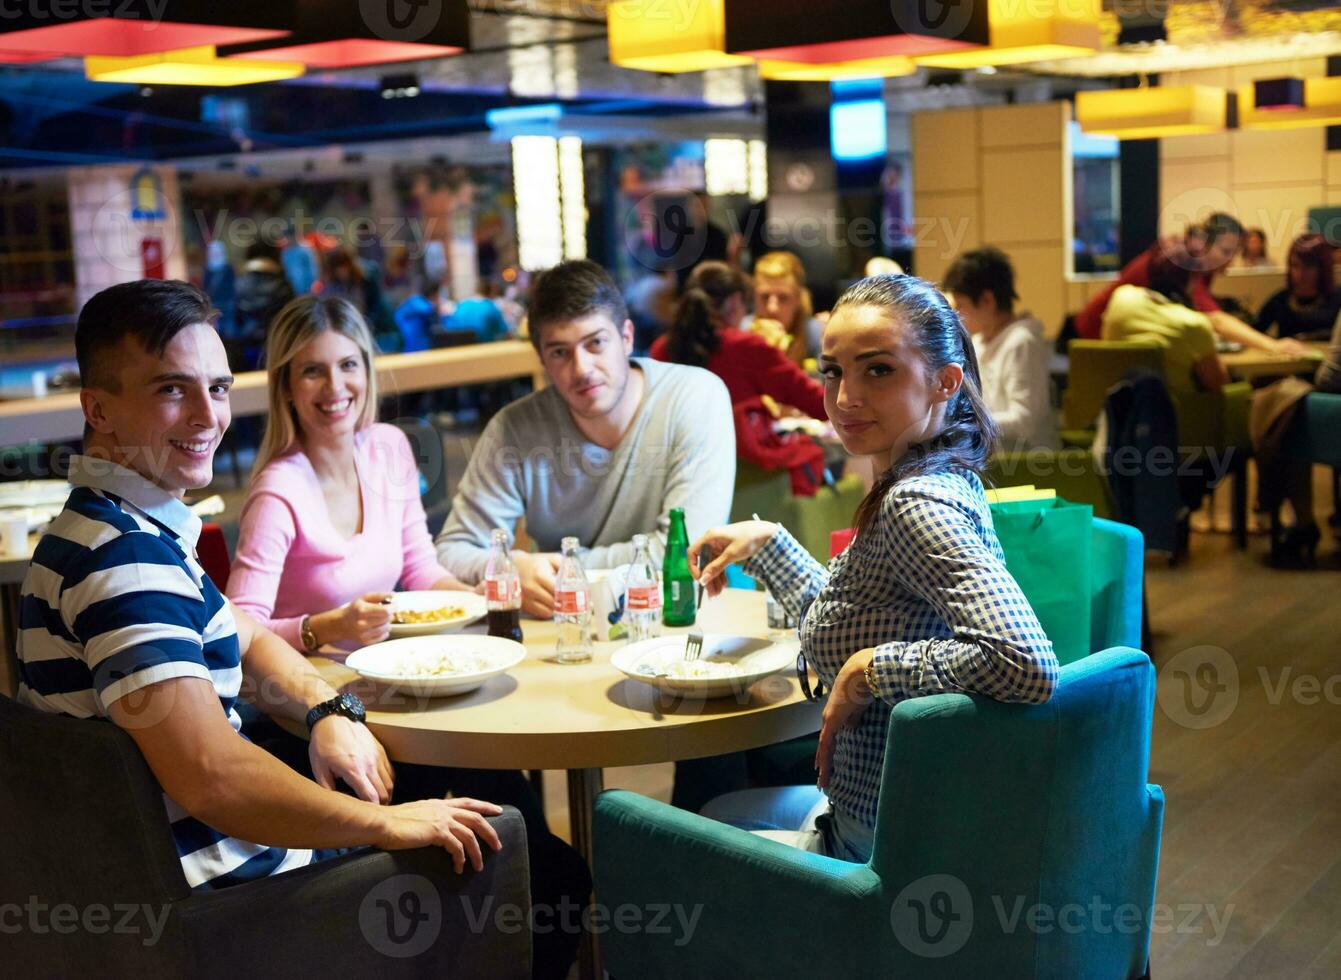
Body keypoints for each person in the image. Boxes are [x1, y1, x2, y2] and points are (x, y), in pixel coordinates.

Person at [18, 279, 503, 893]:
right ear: (98, 409)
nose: (208, 415)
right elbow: (212, 776)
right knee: (527, 859)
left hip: (209, 876)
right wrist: (384, 824)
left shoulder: (110, 528)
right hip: (231, 909)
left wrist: (330, 709)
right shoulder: (125, 562)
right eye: (172, 389)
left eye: (217, 387)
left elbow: (247, 635)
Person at [227, 293, 588, 978]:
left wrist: (494, 597)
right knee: (548, 872)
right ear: (285, 386)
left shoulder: (388, 449)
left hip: (407, 704)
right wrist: (321, 626)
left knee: (524, 830)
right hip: (325, 736)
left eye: (347, 365)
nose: (334, 388)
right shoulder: (280, 489)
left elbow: (420, 569)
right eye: (310, 372)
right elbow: (232, 630)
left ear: (367, 368)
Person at [685, 273, 1058, 863]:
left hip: (886, 837)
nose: (844, 397)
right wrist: (770, 544)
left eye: (878, 369)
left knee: (683, 841)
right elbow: (863, 617)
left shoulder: (916, 503)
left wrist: (870, 672)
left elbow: (1027, 665)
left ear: (945, 382)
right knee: (713, 811)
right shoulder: (928, 473)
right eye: (833, 370)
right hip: (899, 808)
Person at [435, 259, 734, 616]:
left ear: (626, 338)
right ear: (542, 360)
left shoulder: (695, 396)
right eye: (560, 352)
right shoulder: (514, 429)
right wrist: (513, 568)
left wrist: (559, 570)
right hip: (564, 630)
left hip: (673, 622)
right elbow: (452, 550)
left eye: (595, 344)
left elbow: (683, 553)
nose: (582, 369)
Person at [1076, 213, 1304, 356]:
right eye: (1225, 251)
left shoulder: (1198, 263)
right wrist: (1272, 346)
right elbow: (1215, 320)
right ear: (1206, 243)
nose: (1229, 261)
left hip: (1115, 338)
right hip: (1096, 336)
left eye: (1233, 253)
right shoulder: (1188, 262)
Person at [650, 261, 826, 419]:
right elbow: (812, 400)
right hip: (737, 453)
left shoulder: (660, 348)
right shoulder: (746, 345)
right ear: (735, 301)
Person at [944, 246, 1058, 451]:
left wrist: (965, 425)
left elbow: (1025, 421)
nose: (956, 314)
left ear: (987, 300)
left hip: (1029, 462)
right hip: (998, 457)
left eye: (960, 305)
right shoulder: (978, 342)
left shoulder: (1021, 342)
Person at [1101, 244, 1230, 397]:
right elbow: (1217, 382)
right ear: (1189, 280)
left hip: (1118, 412)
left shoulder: (1121, 297)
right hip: (1179, 416)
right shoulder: (1193, 323)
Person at [1255, 233, 1340, 341]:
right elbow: (1254, 332)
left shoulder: (1337, 299)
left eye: (1308, 266)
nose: (1300, 274)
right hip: (1288, 357)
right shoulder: (1280, 300)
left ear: (1323, 268)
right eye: (1295, 265)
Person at [746, 251, 826, 365]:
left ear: (798, 299)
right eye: (764, 297)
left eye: (783, 298)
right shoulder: (740, 331)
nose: (772, 308)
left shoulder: (818, 334)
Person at [234, 240, 295, 370]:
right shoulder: (283, 284)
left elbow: (235, 319)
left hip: (247, 347)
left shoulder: (239, 284)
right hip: (276, 346)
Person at [394, 270, 444, 354]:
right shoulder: (428, 310)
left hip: (404, 353)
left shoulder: (407, 304)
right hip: (423, 352)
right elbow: (440, 331)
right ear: (434, 294)